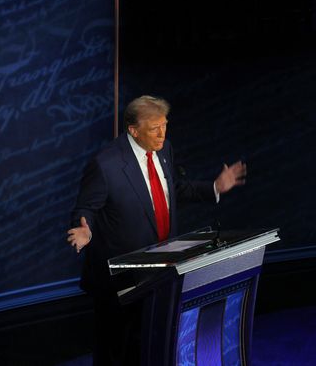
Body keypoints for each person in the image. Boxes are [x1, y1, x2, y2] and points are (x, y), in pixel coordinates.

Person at [65, 95, 247, 365]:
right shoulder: (106, 165)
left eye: (165, 125)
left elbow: (175, 189)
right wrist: (85, 231)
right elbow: (85, 209)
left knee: (149, 346)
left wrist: (214, 188)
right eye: (154, 128)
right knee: (115, 351)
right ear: (134, 130)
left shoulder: (164, 150)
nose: (162, 133)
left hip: (161, 271)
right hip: (120, 280)